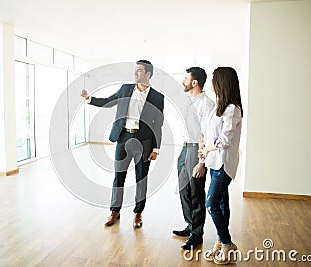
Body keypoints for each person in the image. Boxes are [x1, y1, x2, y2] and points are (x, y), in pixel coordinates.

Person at [80, 60, 164, 229]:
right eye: (135, 70)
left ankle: (138, 213)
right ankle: (114, 211)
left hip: (144, 142)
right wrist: (89, 99)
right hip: (123, 138)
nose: (135, 73)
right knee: (119, 176)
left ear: (148, 74)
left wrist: (156, 148)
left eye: (139, 71)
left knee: (141, 179)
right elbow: (108, 101)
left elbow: (158, 124)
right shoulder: (125, 89)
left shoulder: (157, 97)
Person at [199, 67, 243, 265]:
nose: (211, 82)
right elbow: (211, 134)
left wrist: (207, 148)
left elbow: (224, 140)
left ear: (222, 82)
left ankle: (227, 244)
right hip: (214, 162)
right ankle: (220, 240)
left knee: (211, 204)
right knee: (222, 203)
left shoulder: (233, 108)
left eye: (214, 79)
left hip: (223, 163)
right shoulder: (219, 105)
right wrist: (204, 147)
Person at [172, 67, 214, 250]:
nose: (183, 81)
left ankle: (197, 234)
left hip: (197, 150)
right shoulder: (188, 101)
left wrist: (201, 162)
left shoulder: (207, 104)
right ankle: (190, 225)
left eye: (186, 78)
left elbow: (208, 135)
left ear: (194, 82)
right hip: (184, 149)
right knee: (183, 190)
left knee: (196, 193)